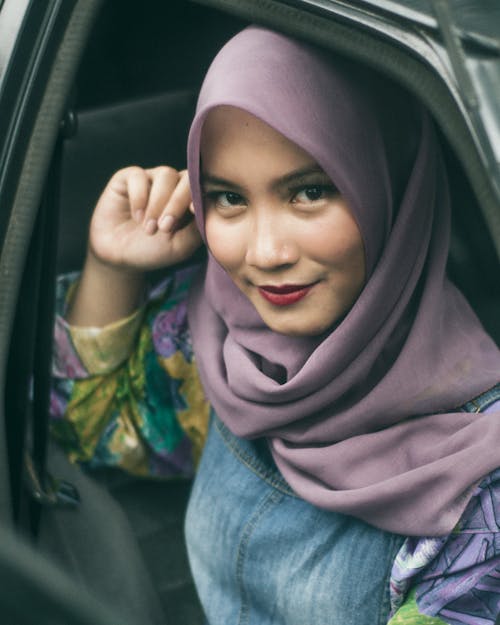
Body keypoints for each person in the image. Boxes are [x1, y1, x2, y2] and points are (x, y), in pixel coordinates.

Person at [51, 26, 500, 625]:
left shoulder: (481, 499)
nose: (264, 253)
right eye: (229, 198)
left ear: (391, 188)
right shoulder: (228, 342)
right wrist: (110, 266)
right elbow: (96, 438)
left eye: (310, 191)